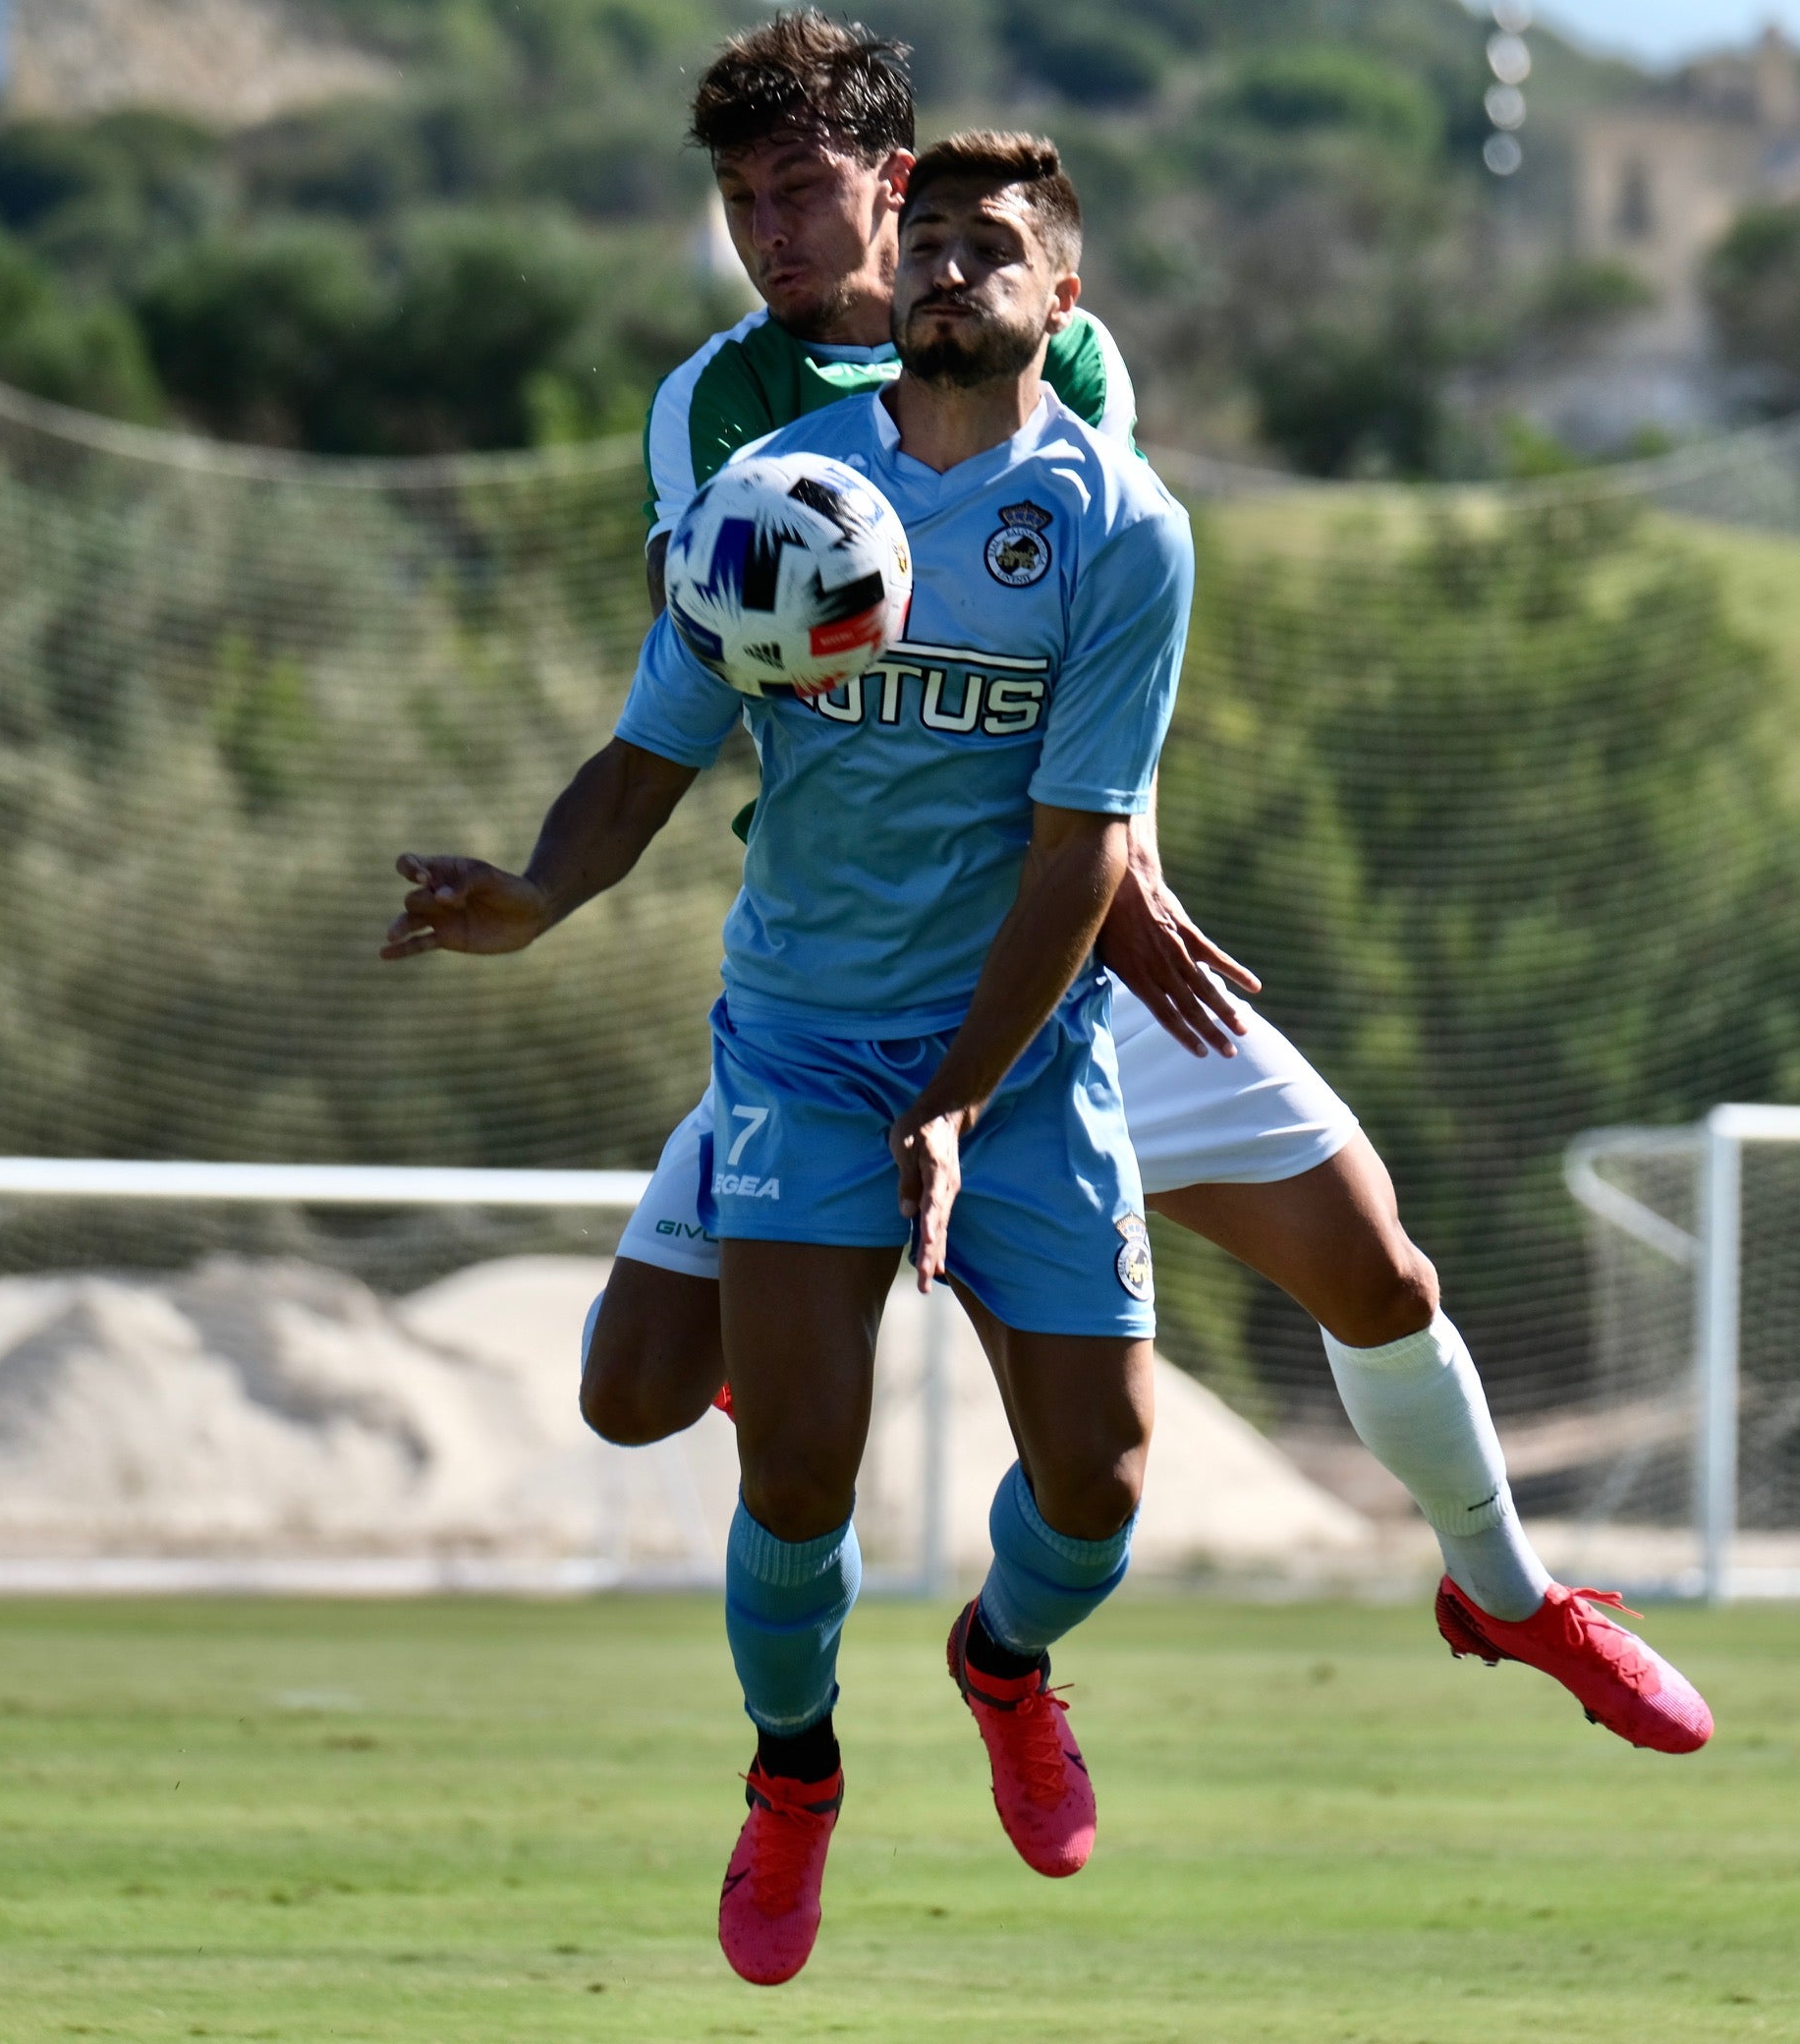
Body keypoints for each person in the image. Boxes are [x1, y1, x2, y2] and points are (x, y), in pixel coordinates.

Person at [587, 6, 1711, 1762]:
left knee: (1381, 1270)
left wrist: (1124, 872)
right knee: (635, 1395)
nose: (771, 233)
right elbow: (730, 641)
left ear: (892, 185)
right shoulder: (720, 404)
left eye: (800, 189)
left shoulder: (1061, 365)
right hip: (851, 994)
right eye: (741, 199)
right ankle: (789, 1342)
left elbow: (1103, 672)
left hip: (1075, 970)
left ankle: (1505, 1592)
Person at [386, 132, 1182, 1985]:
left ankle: (1002, 1663)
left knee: (1106, 1484)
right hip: (808, 1043)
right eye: (937, 248)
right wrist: (542, 889)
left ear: (1063, 301)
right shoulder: (781, 486)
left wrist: (964, 1101)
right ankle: (793, 1776)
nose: (951, 275)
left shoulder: (1120, 529)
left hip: (1025, 1051)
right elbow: (653, 744)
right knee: (800, 1468)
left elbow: (1082, 858)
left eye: (1000, 254)